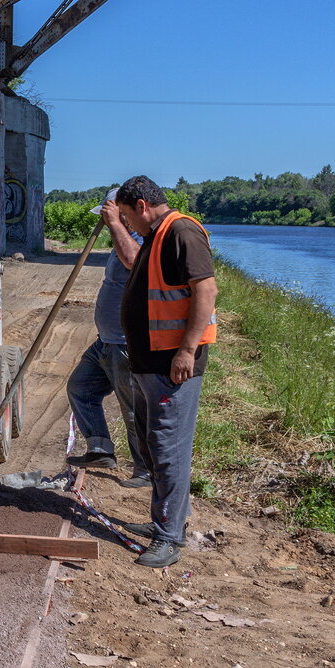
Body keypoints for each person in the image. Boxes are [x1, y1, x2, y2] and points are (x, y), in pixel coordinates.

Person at [114, 175, 218, 568]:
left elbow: (205, 290)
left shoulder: (181, 232)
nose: (126, 224)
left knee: (168, 448)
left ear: (142, 206)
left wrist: (187, 350)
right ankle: (165, 520)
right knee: (154, 444)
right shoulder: (156, 236)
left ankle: (169, 538)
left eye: (126, 216)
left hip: (171, 364)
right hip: (150, 362)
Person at [65, 188, 151, 488]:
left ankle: (146, 471)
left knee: (132, 409)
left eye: (111, 215)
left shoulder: (142, 240)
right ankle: (100, 448)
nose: (103, 223)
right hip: (107, 340)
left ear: (126, 215)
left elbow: (133, 261)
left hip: (126, 343)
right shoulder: (120, 241)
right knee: (80, 388)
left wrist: (115, 223)